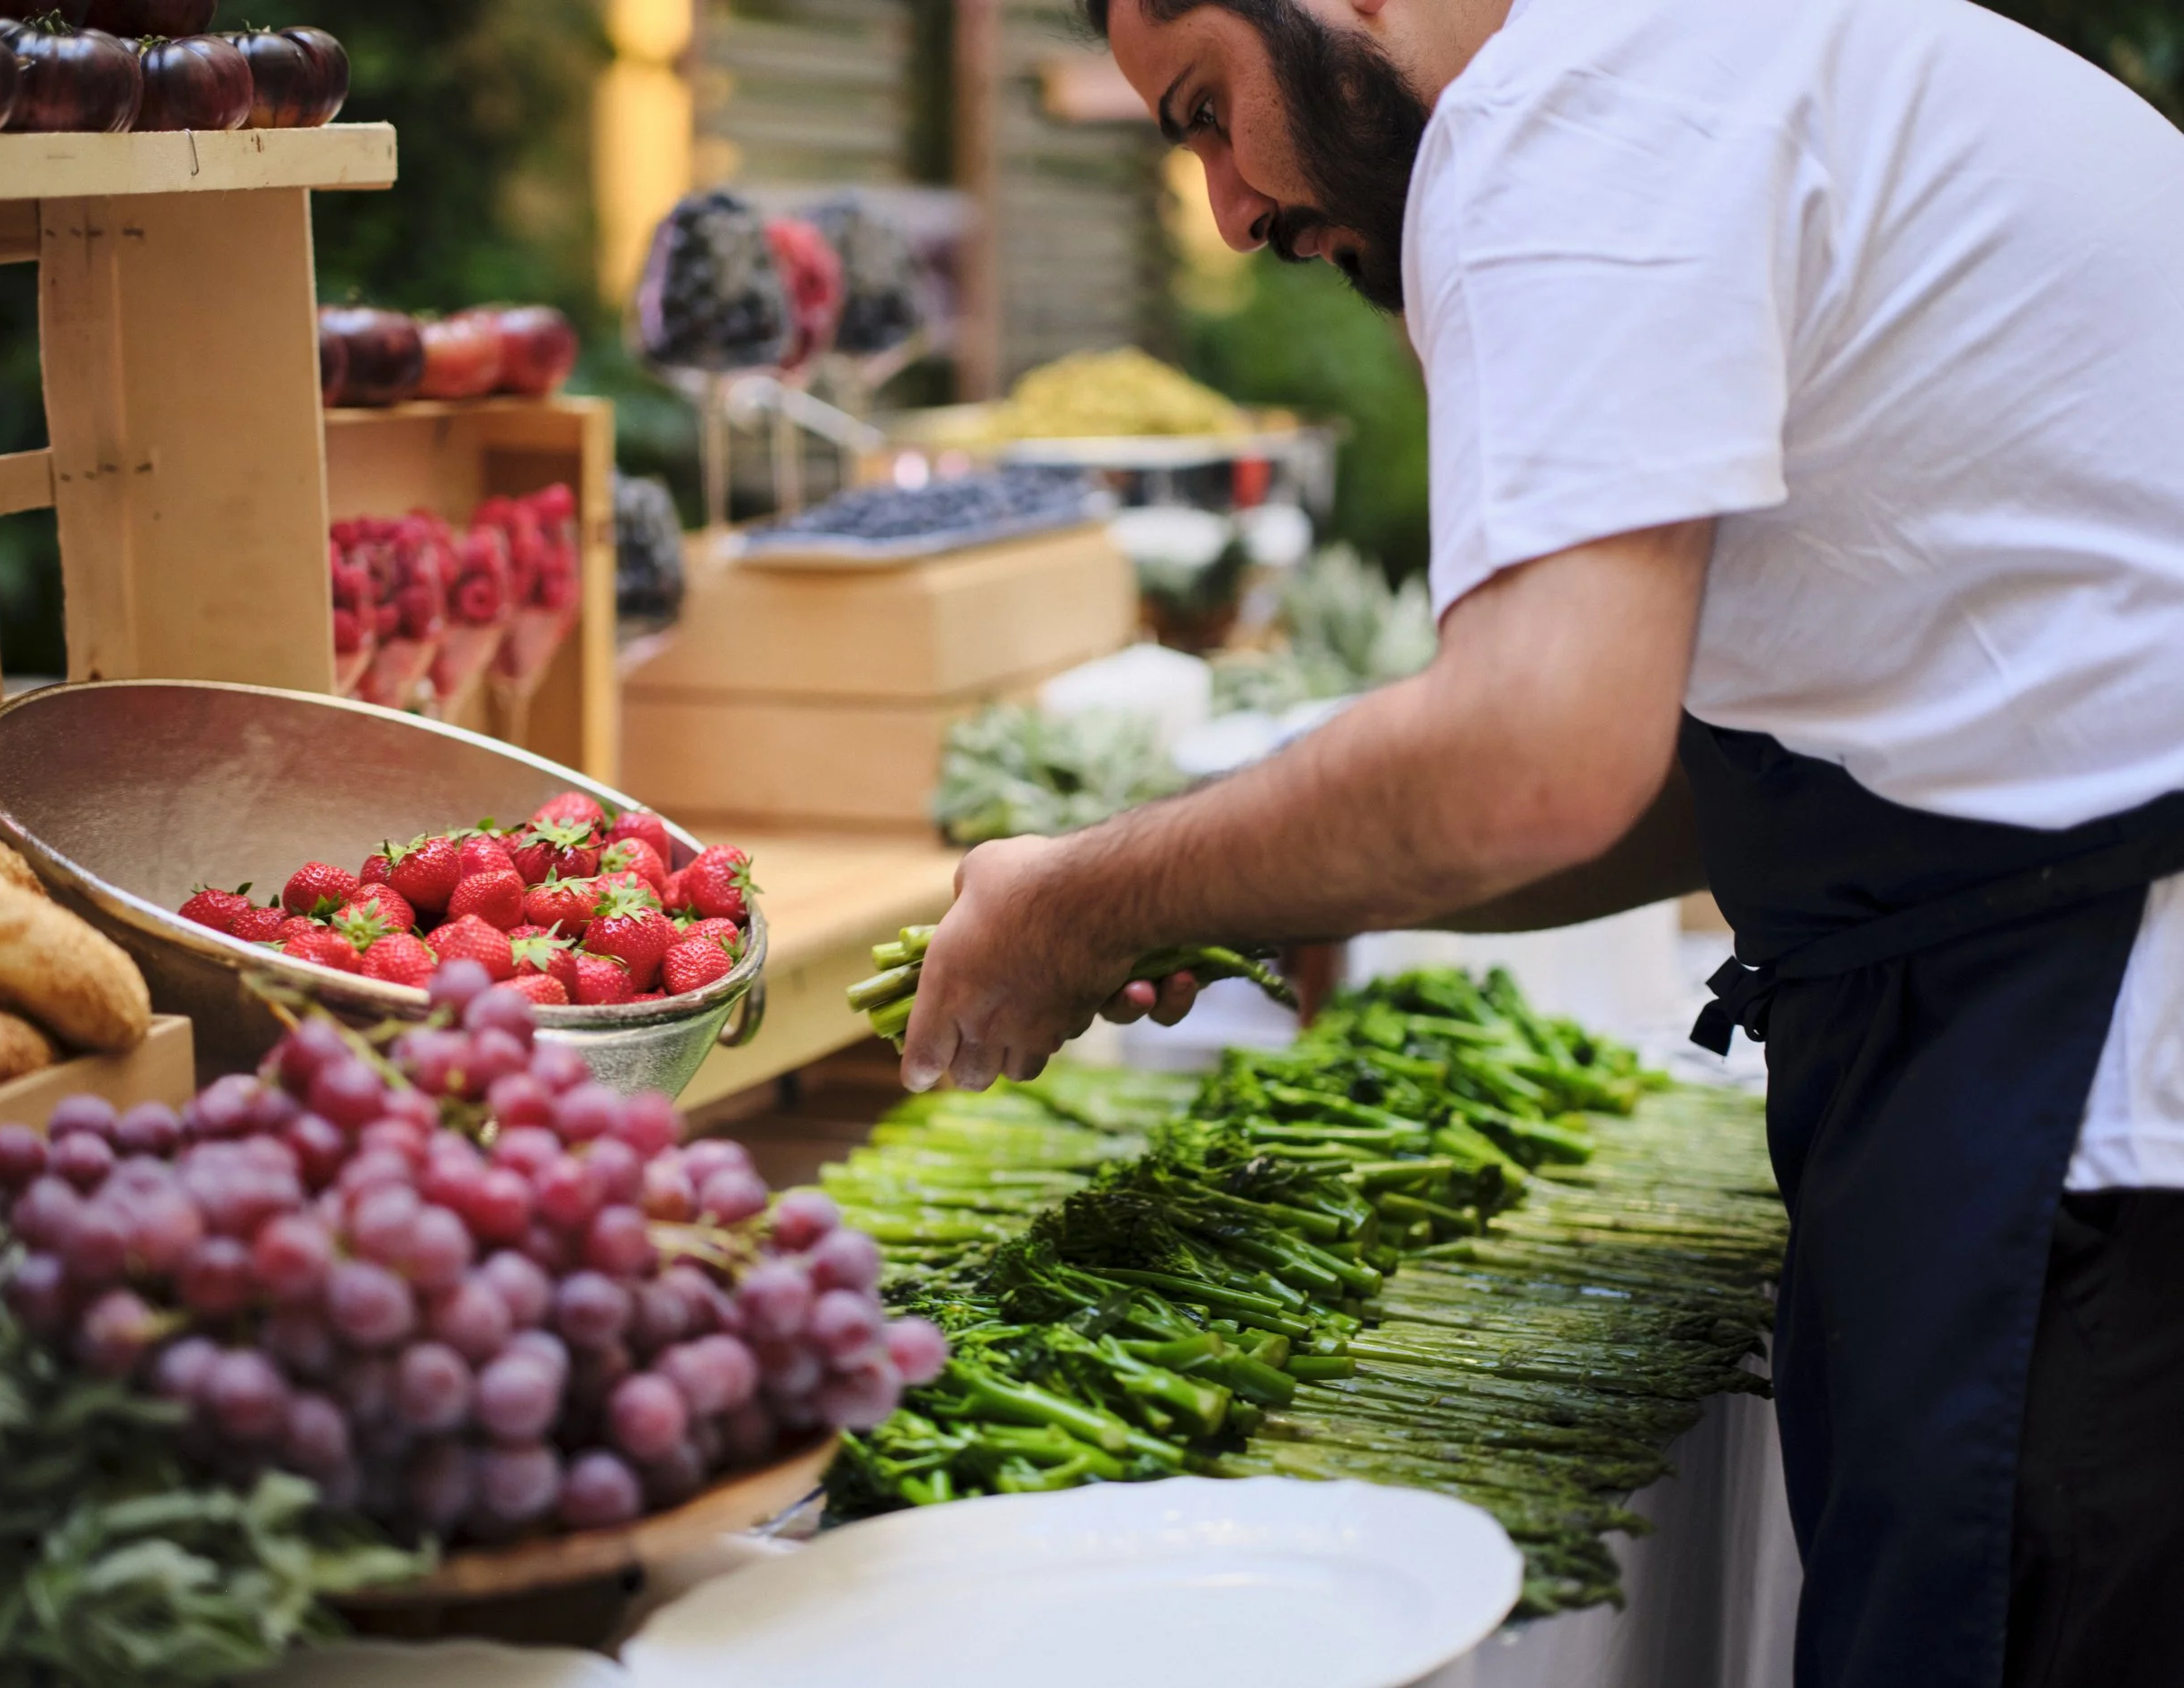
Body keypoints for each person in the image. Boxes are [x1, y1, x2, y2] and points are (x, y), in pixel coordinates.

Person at [898, 0, 2184, 1683]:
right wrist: (1257, 881)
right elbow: (1666, 770)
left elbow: (1536, 755)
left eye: (1211, 108)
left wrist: (1086, 898)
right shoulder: (1720, 55)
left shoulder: (1565, 118)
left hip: (2091, 1111)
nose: (1228, 209)